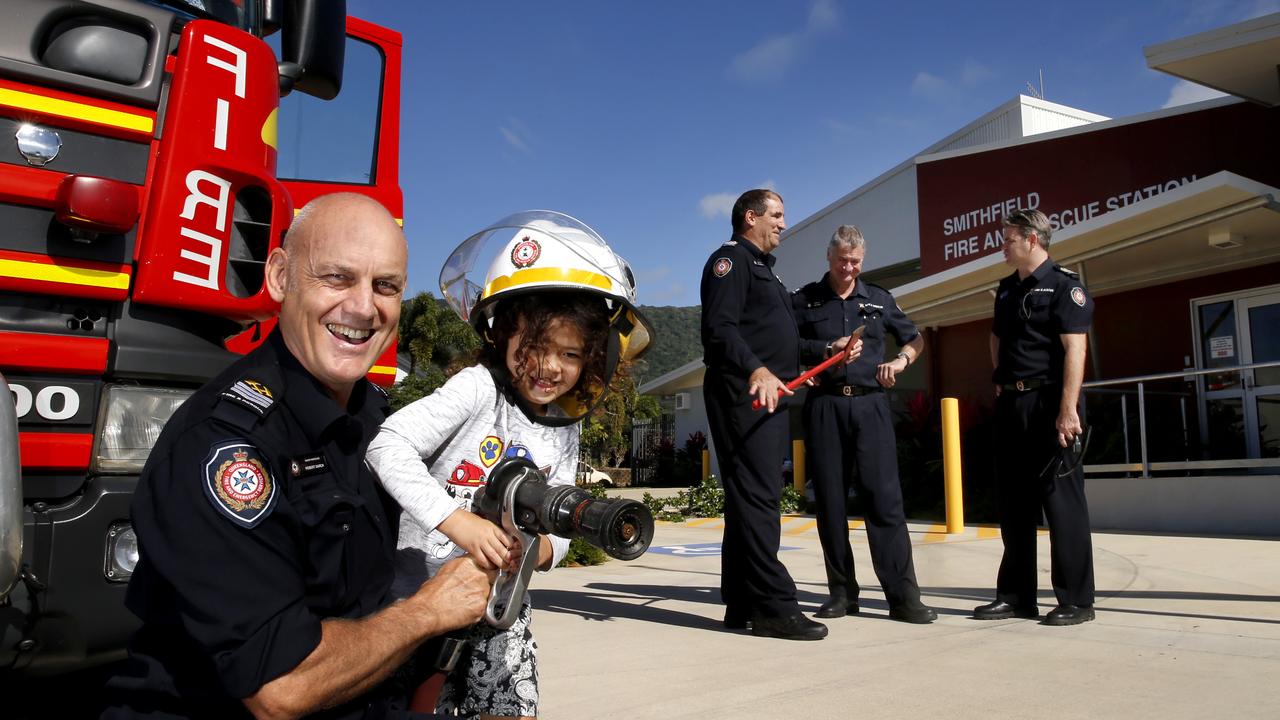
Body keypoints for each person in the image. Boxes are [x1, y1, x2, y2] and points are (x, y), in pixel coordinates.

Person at [105, 193, 494, 719]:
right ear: (281, 276)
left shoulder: (380, 421)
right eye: (336, 277)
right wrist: (427, 613)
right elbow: (280, 687)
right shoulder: (224, 445)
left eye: (386, 286)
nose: (362, 307)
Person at [366, 211, 653, 719]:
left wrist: (540, 550)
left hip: (498, 611)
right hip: (420, 600)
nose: (549, 368)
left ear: (594, 359)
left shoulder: (566, 423)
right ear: (502, 335)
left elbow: (558, 521)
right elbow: (387, 445)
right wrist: (460, 524)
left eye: (570, 354)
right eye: (535, 347)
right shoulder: (478, 389)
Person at [700, 189, 859, 642]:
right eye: (776, 215)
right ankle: (773, 606)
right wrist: (760, 371)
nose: (783, 224)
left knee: (748, 500)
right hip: (744, 396)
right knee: (759, 500)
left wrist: (824, 352)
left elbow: (778, 340)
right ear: (750, 217)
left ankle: (743, 602)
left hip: (768, 392)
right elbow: (719, 331)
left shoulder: (765, 272)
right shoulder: (729, 263)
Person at [792, 225, 937, 624]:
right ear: (829, 256)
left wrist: (901, 361)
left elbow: (915, 339)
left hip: (871, 406)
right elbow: (784, 344)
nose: (849, 268)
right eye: (842, 261)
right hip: (826, 408)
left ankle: (903, 597)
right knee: (831, 505)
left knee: (885, 503)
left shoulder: (879, 299)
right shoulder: (804, 300)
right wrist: (820, 353)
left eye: (855, 262)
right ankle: (842, 593)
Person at [974, 208, 1096, 626]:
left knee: (1063, 507)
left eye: (1008, 239)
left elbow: (1075, 350)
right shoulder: (1007, 289)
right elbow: (996, 337)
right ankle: (1015, 597)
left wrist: (1067, 410)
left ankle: (1077, 601)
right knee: (1014, 506)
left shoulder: (1065, 287)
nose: (1002, 246)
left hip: (1050, 405)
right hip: (1012, 405)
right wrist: (1000, 379)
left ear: (1032, 239)